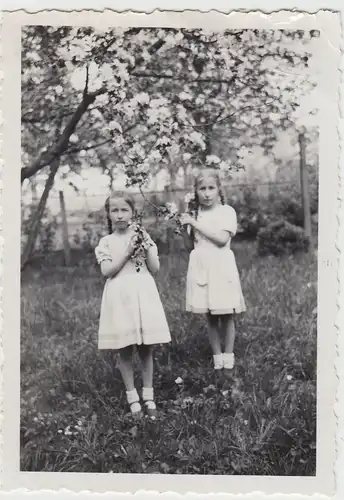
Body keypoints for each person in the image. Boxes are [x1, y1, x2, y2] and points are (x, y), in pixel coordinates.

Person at [95, 194, 171, 418]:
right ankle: (132, 397)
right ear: (108, 214)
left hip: (142, 292)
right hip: (120, 297)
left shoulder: (141, 236)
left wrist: (147, 246)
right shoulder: (106, 242)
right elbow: (107, 271)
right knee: (125, 349)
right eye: (114, 211)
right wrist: (128, 251)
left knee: (146, 347)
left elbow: (155, 268)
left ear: (132, 213)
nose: (119, 215)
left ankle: (149, 396)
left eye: (124, 210)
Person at [180, 169, 246, 371]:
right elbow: (189, 246)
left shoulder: (226, 211)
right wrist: (185, 226)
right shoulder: (195, 214)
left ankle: (229, 355)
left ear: (219, 190)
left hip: (221, 265)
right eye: (202, 189)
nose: (207, 193)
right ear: (196, 192)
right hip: (201, 265)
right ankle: (217, 357)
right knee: (209, 314)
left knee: (226, 313)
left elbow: (221, 239)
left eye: (211, 188)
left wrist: (194, 223)